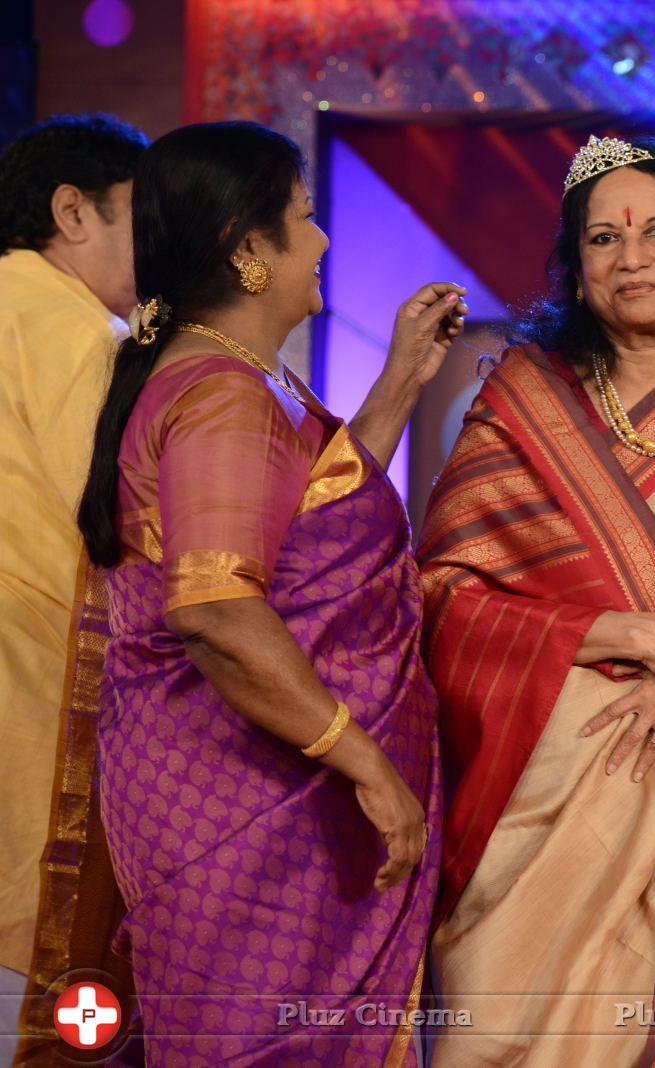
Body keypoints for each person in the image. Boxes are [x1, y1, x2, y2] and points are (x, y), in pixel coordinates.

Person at [75, 120, 462, 1063]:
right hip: (245, 809)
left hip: (260, 797)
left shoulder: (243, 378)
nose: (323, 239)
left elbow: (309, 526)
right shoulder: (220, 395)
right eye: (306, 216)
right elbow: (215, 611)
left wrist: (403, 375)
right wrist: (366, 763)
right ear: (251, 250)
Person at [419, 135, 655, 1066]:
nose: (634, 257)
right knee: (497, 1023)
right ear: (577, 271)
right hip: (539, 783)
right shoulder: (516, 407)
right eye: (605, 239)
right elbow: (446, 595)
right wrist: (628, 635)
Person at [0, 112, 146, 1060]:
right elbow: (129, 519)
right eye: (143, 217)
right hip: (35, 704)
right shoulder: (70, 326)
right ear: (72, 211)